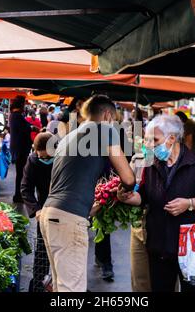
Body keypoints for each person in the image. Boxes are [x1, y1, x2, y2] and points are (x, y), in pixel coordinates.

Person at [40, 94, 136, 292]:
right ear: (108, 115)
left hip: (49, 214)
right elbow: (128, 178)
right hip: (68, 219)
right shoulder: (104, 130)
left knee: (60, 287)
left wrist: (93, 206)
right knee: (72, 289)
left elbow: (59, 184)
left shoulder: (69, 136)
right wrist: (123, 191)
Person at [117, 114, 195, 292]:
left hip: (191, 248)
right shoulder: (151, 164)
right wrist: (126, 197)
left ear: (172, 138)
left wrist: (188, 203)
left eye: (154, 140)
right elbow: (143, 197)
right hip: (159, 246)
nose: (149, 145)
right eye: (148, 140)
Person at [21, 132, 55, 292]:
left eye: (48, 157)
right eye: (41, 157)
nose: (44, 159)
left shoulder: (64, 158)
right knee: (42, 249)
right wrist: (36, 210)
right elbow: (26, 188)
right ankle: (39, 284)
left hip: (64, 208)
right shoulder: (33, 161)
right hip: (43, 209)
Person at [9, 96, 33, 203]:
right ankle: (18, 196)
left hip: (19, 149)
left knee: (20, 173)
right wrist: (32, 128)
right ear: (20, 105)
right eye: (24, 104)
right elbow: (25, 128)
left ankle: (18, 195)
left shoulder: (15, 116)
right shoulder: (16, 116)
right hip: (20, 150)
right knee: (20, 174)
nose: (24, 107)